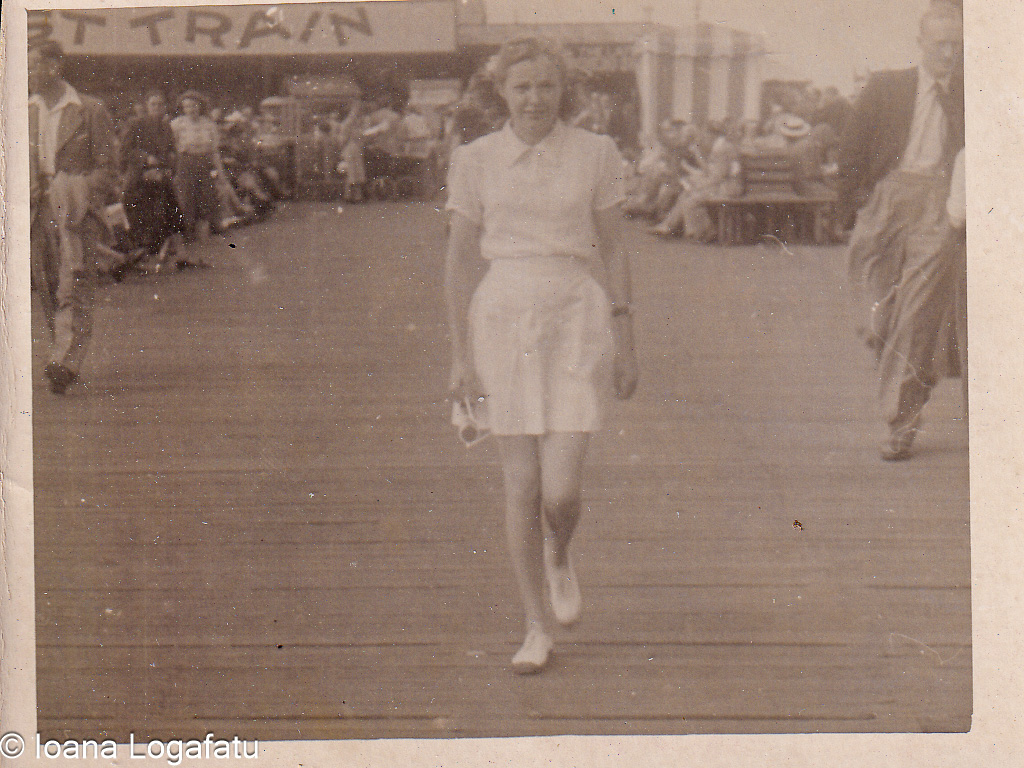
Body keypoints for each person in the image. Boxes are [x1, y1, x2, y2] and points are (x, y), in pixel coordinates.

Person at [444, 37, 638, 674]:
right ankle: (534, 626)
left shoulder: (596, 153)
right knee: (521, 484)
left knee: (561, 491)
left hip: (575, 317)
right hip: (502, 318)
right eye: (521, 87)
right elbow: (457, 262)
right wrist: (459, 359)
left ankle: (560, 551)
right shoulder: (474, 160)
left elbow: (613, 249)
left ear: (564, 91)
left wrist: (626, 338)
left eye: (546, 87)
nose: (534, 99)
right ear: (501, 92)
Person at [839, 1, 965, 460]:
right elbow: (851, 147)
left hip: (940, 203)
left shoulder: (972, 94)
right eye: (941, 44)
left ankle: (900, 422)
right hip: (886, 199)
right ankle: (908, 370)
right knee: (874, 316)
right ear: (921, 43)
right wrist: (854, 207)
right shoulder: (888, 86)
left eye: (958, 45)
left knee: (915, 317)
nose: (949, 54)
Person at [28, 40, 118, 395]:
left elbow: (108, 168)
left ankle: (65, 361)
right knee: (49, 285)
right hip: (38, 209)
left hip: (76, 210)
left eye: (34, 66)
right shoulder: (24, 111)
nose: (28, 74)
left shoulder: (90, 111)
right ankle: (61, 352)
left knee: (73, 282)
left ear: (54, 68)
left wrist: (80, 192)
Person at [119, 88, 187, 271]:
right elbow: (125, 151)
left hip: (161, 176)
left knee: (173, 212)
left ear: (165, 107)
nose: (157, 107)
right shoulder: (135, 124)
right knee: (143, 218)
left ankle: (177, 256)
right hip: (139, 179)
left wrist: (169, 167)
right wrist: (145, 159)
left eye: (160, 104)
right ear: (146, 106)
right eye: (153, 104)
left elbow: (172, 150)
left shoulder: (166, 127)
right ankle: (142, 258)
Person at [170, 90, 224, 245]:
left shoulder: (209, 124)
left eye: (194, 106)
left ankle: (204, 235)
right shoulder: (177, 124)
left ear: (200, 106)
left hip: (205, 164)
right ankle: (187, 233)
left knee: (206, 197)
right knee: (186, 198)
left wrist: (220, 173)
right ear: (182, 108)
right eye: (187, 107)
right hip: (185, 163)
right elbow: (172, 149)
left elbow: (214, 151)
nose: (191, 109)